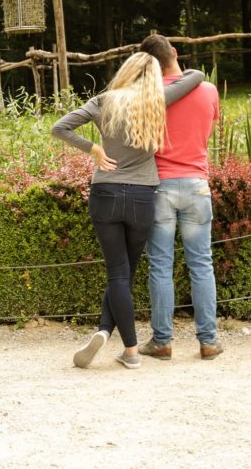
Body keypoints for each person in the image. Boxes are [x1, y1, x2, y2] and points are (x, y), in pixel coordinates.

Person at [51, 53, 204, 369]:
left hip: (105, 192)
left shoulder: (104, 100)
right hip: (142, 197)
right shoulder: (156, 101)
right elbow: (197, 76)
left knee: (118, 274)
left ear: (126, 71)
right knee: (125, 274)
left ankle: (121, 342)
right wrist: (175, 62)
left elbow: (60, 127)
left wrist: (93, 149)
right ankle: (112, 336)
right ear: (153, 77)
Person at [137, 34, 222, 361]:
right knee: (201, 264)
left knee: (160, 266)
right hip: (197, 185)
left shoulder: (148, 98)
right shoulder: (209, 91)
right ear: (174, 52)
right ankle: (209, 341)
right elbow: (206, 134)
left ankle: (162, 341)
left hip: (159, 187)